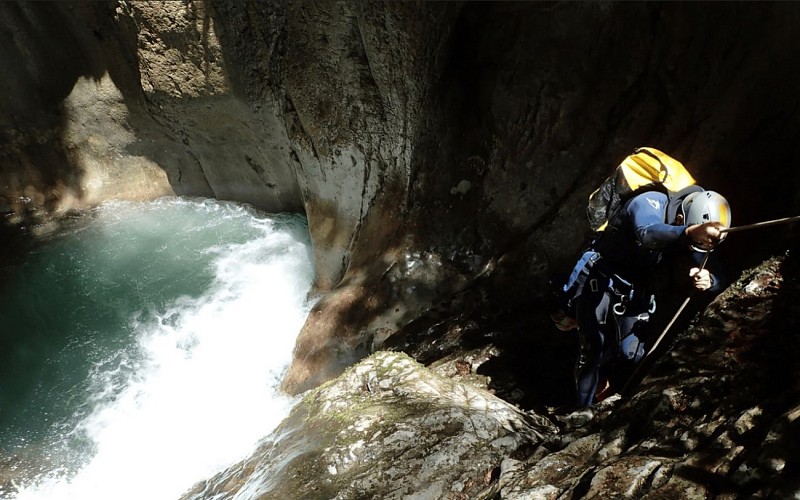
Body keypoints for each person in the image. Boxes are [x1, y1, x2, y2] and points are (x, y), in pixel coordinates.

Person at [560, 185, 731, 408]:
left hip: (635, 289)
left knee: (632, 355)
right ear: (681, 218)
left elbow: (719, 275)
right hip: (601, 276)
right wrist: (689, 233)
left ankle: (605, 387)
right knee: (593, 345)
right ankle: (581, 410)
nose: (694, 247)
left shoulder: (688, 230)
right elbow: (648, 233)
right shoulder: (650, 201)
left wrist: (710, 280)